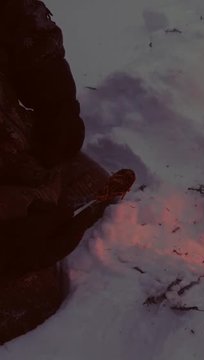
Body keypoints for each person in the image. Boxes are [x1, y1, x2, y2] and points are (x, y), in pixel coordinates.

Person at [0, 0, 134, 344]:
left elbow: (21, 20)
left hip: (15, 156)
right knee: (31, 306)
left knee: (97, 189)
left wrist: (56, 108)